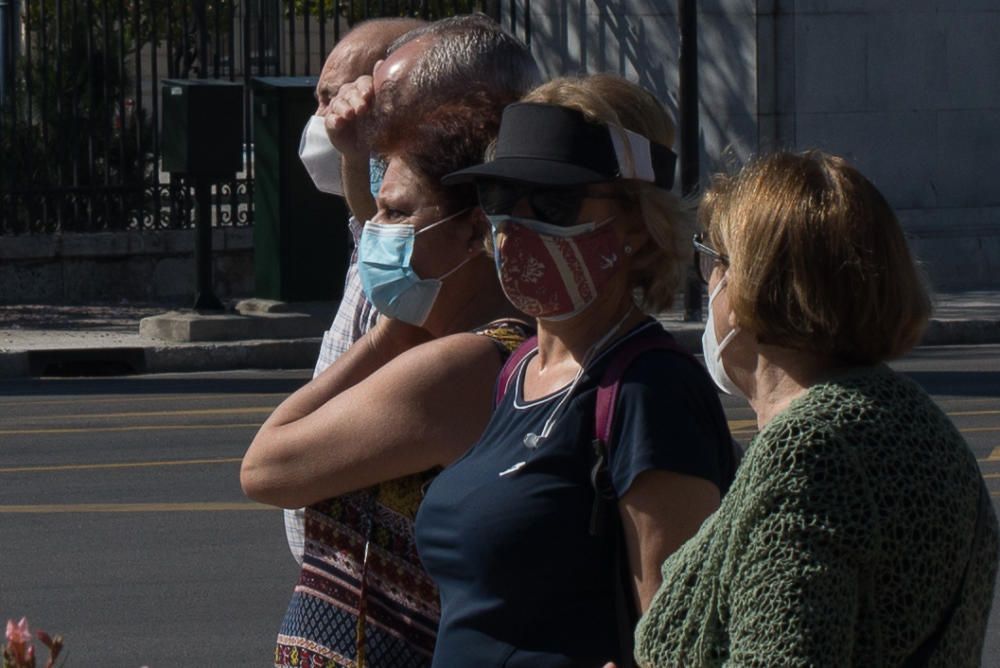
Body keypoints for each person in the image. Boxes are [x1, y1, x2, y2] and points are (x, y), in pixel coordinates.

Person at [244, 15, 540, 668]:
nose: (375, 232)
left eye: (397, 214)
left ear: (475, 233)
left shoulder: (458, 362)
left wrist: (394, 330)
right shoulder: (447, 328)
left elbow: (265, 467)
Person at [413, 74, 737, 666]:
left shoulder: (650, 390)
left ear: (637, 224)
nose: (514, 224)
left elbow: (678, 640)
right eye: (499, 197)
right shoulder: (518, 371)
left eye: (553, 202)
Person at [634, 151, 1000, 667]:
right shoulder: (912, 422)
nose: (706, 283)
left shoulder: (810, 453)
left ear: (745, 285)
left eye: (710, 261)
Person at [292, 16, 426, 566]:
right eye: (324, 99)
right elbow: (366, 216)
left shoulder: (417, 259)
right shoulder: (371, 241)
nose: (326, 117)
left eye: (343, 98)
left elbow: (268, 466)